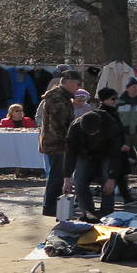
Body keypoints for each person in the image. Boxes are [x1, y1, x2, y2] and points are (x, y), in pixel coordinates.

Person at [63, 87, 125, 220]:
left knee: (107, 181)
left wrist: (112, 177)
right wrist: (67, 177)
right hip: (84, 154)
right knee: (79, 180)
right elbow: (70, 154)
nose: (92, 135)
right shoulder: (75, 128)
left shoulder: (110, 124)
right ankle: (88, 212)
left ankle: (107, 211)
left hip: (106, 154)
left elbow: (115, 152)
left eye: (94, 133)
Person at [38, 70, 80, 217]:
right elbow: (59, 124)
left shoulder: (61, 97)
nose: (78, 87)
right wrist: (69, 141)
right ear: (67, 81)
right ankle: (50, 207)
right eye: (76, 83)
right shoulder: (58, 99)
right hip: (57, 142)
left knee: (57, 175)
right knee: (57, 176)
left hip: (56, 141)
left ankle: (51, 206)